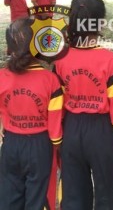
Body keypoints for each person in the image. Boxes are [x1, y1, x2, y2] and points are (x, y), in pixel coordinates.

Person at [53, 0, 113, 210]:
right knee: (108, 196)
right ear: (100, 23)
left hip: (70, 130)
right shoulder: (112, 62)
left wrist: (59, 142)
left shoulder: (60, 60)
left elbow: (55, 108)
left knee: (72, 196)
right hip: (102, 133)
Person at [0, 18, 63, 210]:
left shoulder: (2, 76)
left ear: (9, 48)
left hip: (10, 145)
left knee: (8, 198)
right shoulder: (50, 80)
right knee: (38, 200)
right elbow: (55, 130)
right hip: (40, 146)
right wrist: (61, 153)